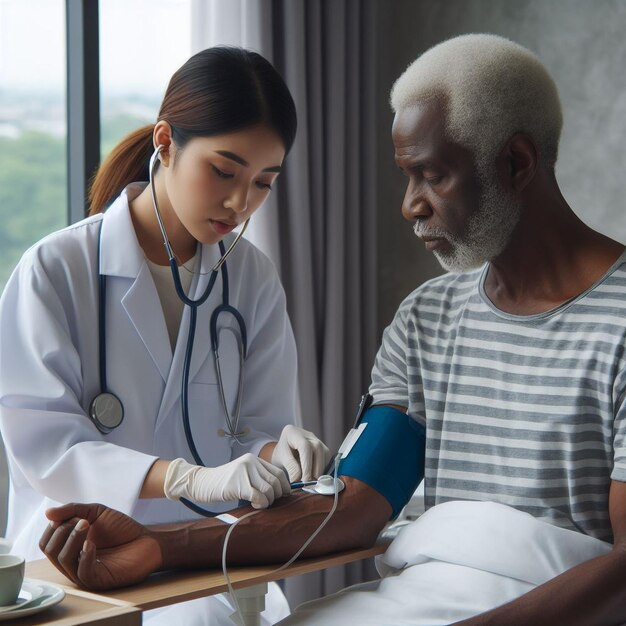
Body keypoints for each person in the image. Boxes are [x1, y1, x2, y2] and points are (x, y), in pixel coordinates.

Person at [38, 33, 626, 625]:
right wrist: (159, 545)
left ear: (515, 163)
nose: (409, 205)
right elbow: (354, 508)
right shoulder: (428, 320)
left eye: (430, 175)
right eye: (406, 177)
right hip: (425, 590)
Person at [0, 46, 331, 625]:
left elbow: (252, 432)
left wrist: (283, 452)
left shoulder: (250, 278)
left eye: (263, 183)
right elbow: (46, 445)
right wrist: (187, 478)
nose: (239, 202)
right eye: (223, 171)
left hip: (204, 559)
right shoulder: (55, 270)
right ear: (166, 143)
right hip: (80, 562)